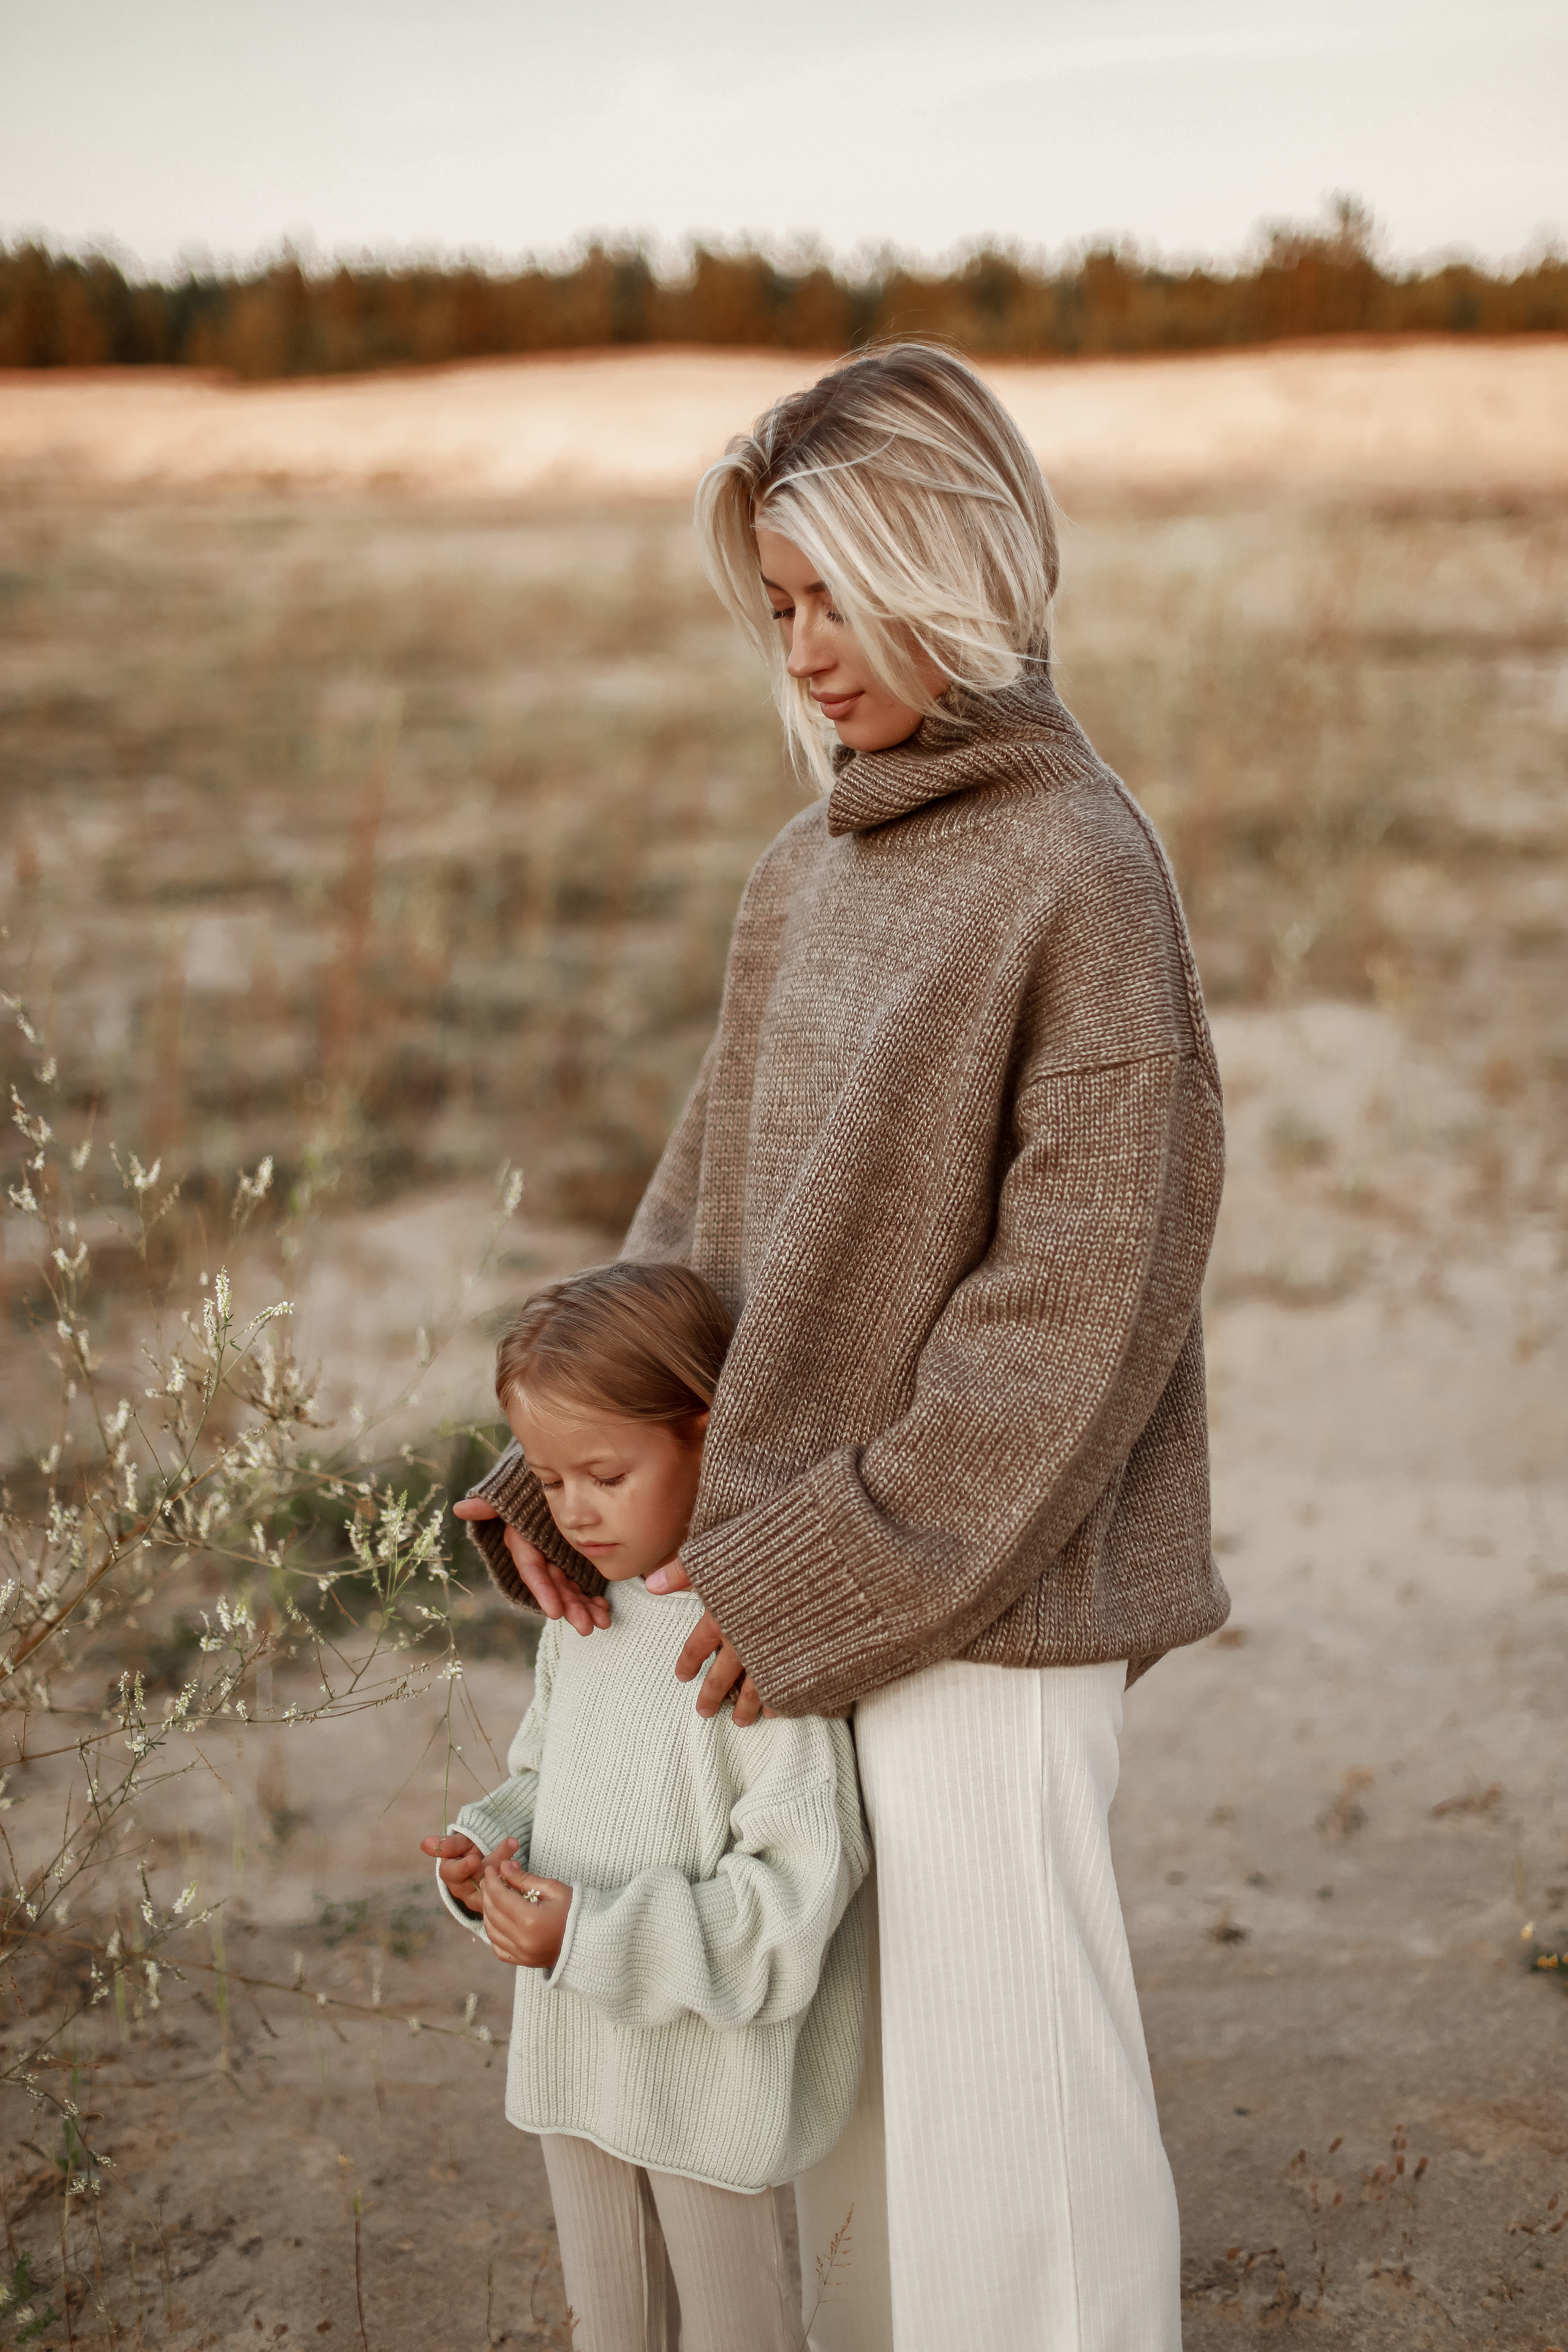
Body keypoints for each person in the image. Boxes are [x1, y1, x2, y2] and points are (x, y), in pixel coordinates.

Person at [458, 344, 1229, 2351]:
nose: (803, 651)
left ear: (961, 569)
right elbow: (703, 1218)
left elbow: (1078, 1316)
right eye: (778, 604)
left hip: (992, 1602)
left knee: (1017, 2124)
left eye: (841, 594)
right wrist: (559, 1462)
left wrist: (825, 1562)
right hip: (779, 1596)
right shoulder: (803, 876)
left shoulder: (1082, 865)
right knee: (853, 2109)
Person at [428, 1261, 870, 2352]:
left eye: (605, 1474)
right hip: (575, 2057)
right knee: (606, 2324)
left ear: (708, 1433)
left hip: (703, 2087)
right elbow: (550, 1785)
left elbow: (791, 1905)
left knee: (735, 2330)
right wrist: (488, 1851)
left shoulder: (755, 1652)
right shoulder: (580, 1623)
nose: (572, 1511)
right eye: (547, 1477)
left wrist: (590, 1931)